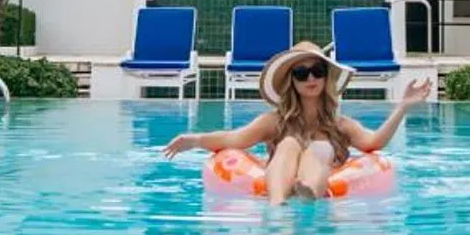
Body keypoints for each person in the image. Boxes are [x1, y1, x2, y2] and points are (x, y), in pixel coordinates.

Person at [161, 42, 434, 204]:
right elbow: (232, 139)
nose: (311, 79)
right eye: (301, 73)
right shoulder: (274, 122)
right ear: (291, 81)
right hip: (281, 180)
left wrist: (402, 107)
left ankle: (307, 191)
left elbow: (374, 143)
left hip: (319, 183)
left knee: (322, 148)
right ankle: (278, 205)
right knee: (290, 143)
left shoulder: (340, 125)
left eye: (318, 71)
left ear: (326, 77)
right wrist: (194, 140)